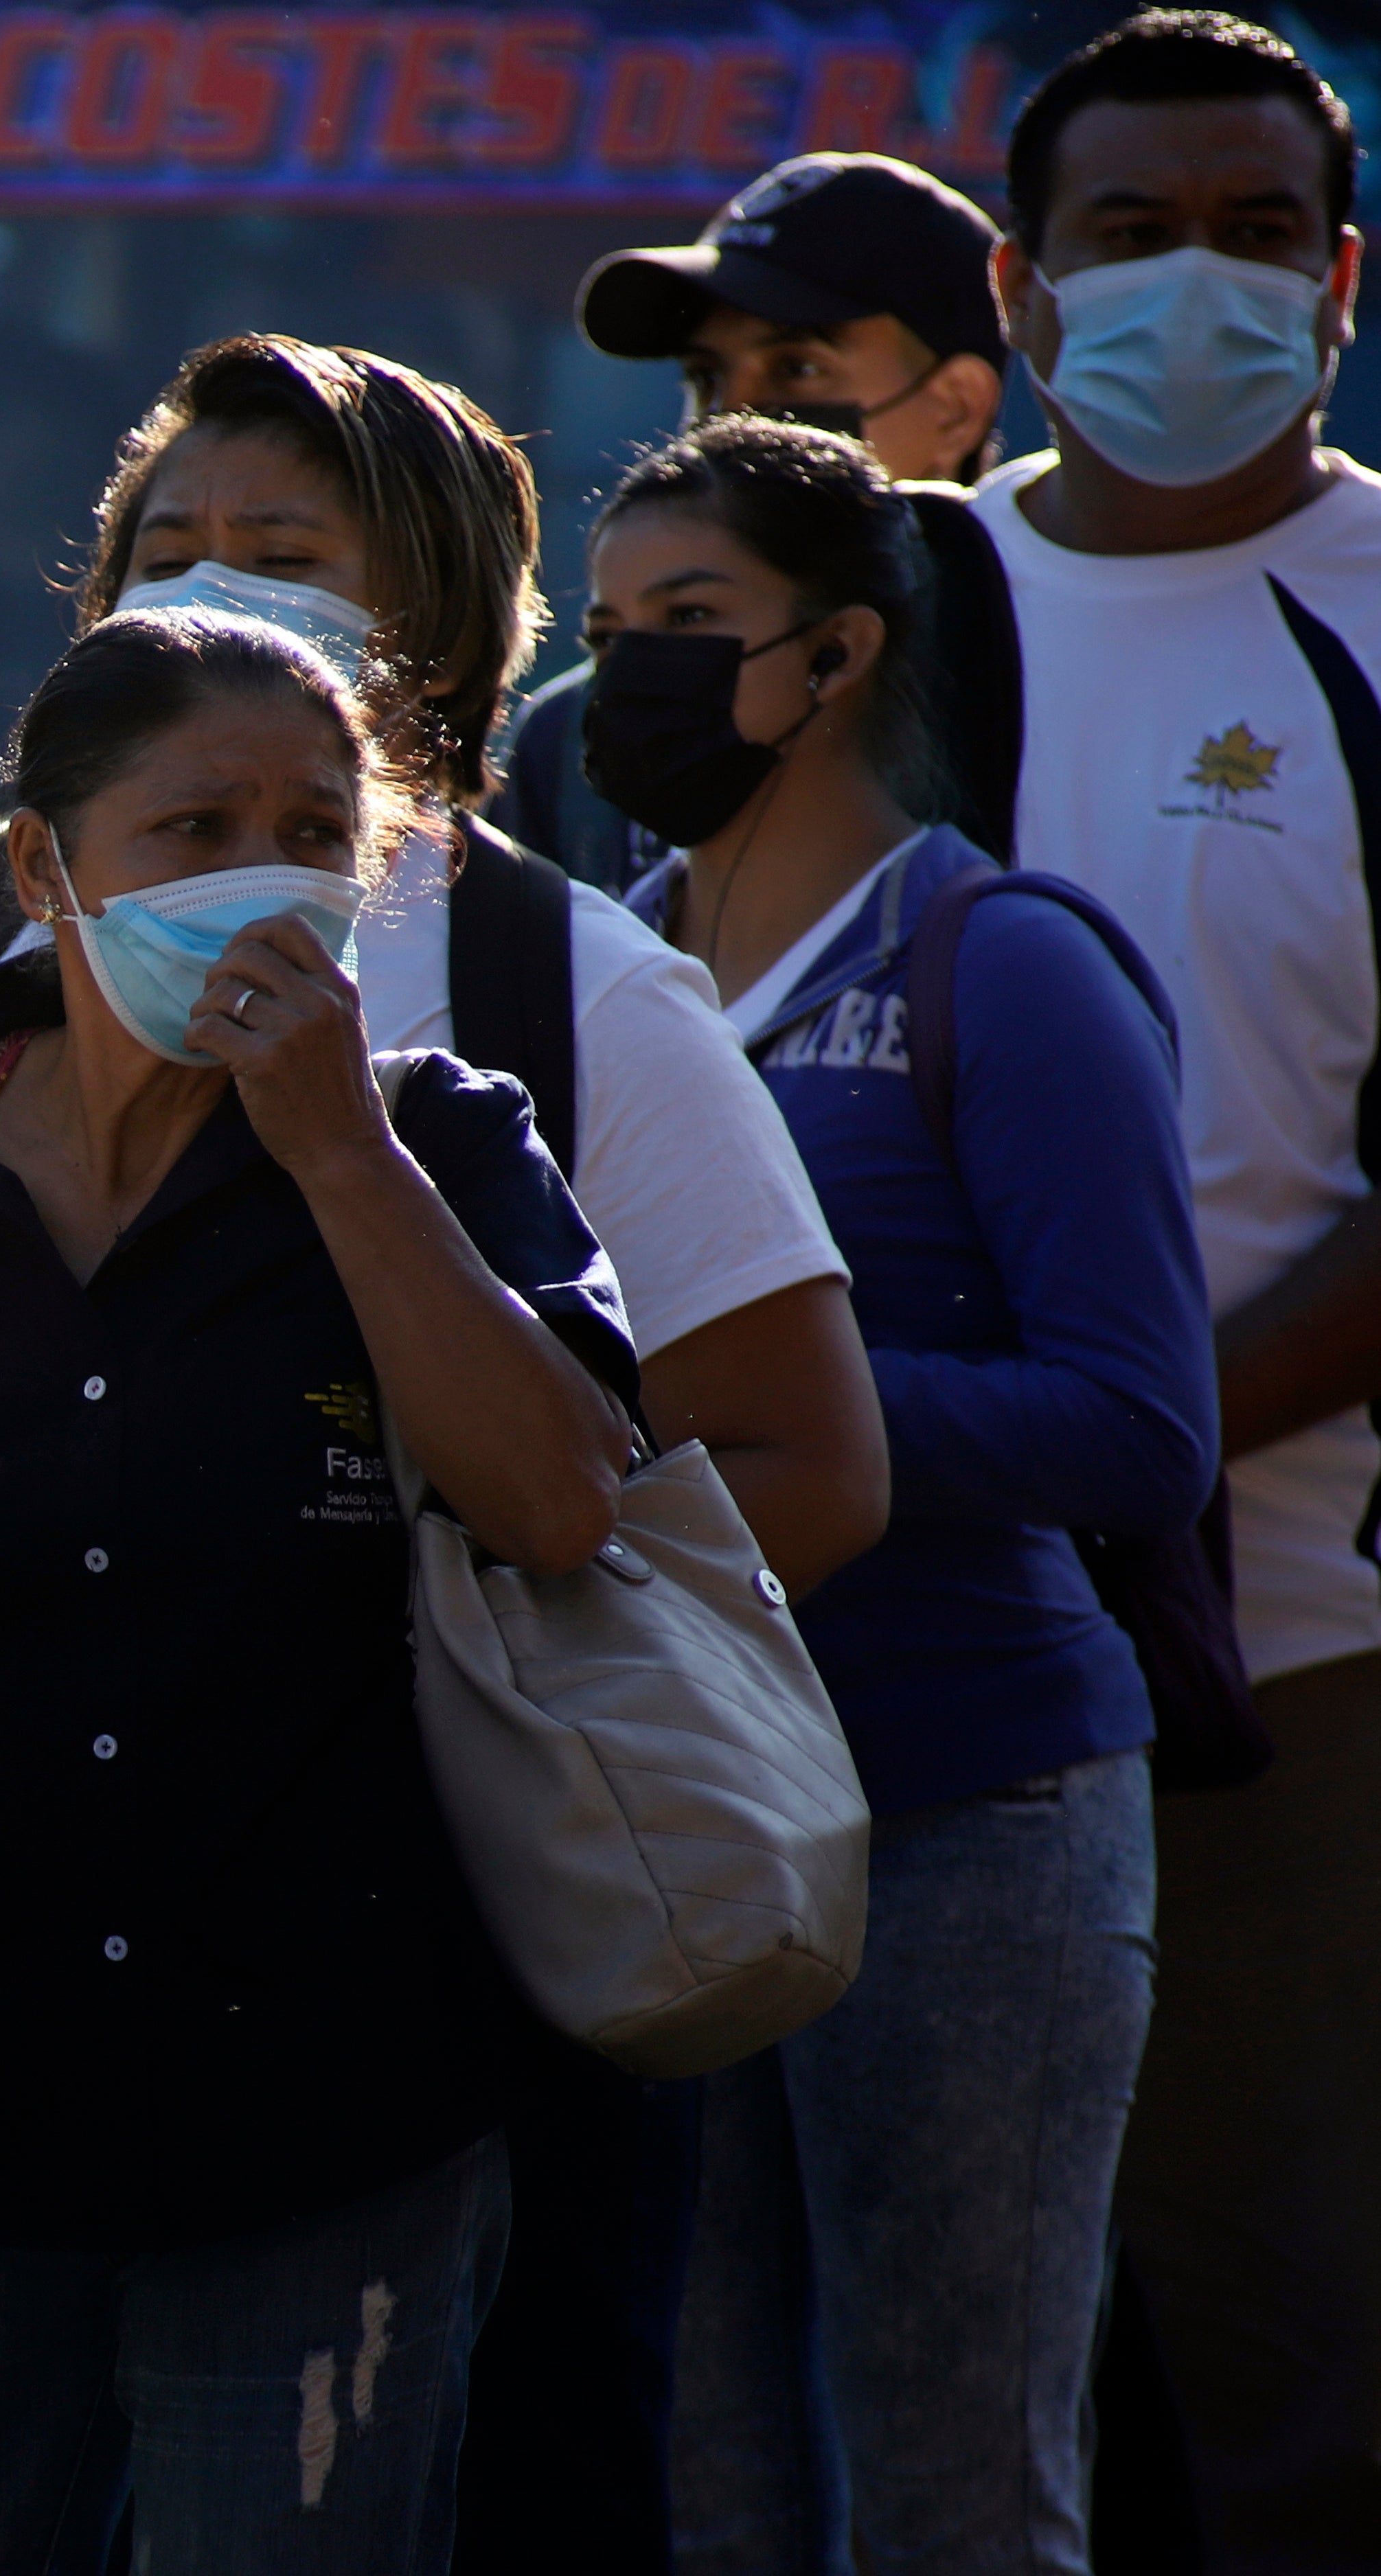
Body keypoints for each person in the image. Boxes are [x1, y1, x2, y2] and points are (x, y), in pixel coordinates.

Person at [0, 342, 876, 2573]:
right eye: (167, 553)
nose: (216, 593)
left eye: (283, 560)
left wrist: (415, 1644)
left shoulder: (535, 1004)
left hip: (375, 2050)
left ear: (417, 644)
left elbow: (720, 1469)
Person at [0, 607, 641, 2576]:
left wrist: (336, 1162)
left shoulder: (443, 1147)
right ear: (46, 867)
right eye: (192, 824)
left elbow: (563, 1501)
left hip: (324, 2124)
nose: (258, 875)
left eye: (313, 828)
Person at [589, 413, 1215, 2576]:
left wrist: (769, 1405)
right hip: (663, 1811)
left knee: (954, 2491)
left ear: (838, 653)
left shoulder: (1002, 960)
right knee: (705, 2485)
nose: (632, 676)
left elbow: (1137, 1427)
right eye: (603, 631)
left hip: (971, 1803)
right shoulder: (583, 969)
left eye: (693, 625)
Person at [959, 18, 1381, 2564]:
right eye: (1125, 235)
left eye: (1250, 231)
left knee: (1294, 2385)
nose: (1187, 283)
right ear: (1019, 288)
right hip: (897, 1660)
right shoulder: (884, 614)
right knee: (950, 2390)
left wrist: (1120, 1456)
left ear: (1340, 282)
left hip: (1298, 1666)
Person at [503, 150, 1014, 888]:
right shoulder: (576, 737)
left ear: (956, 407)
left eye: (797, 370)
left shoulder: (1054, 681)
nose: (729, 422)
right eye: (707, 378)